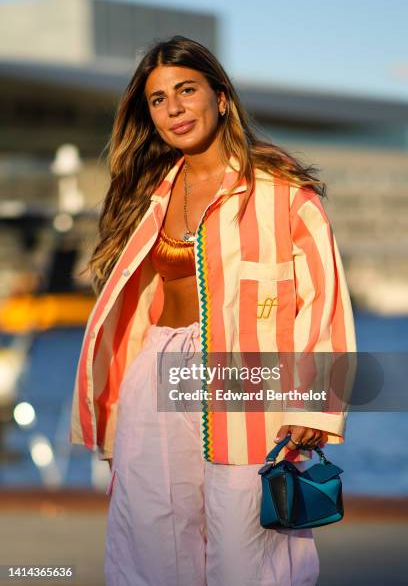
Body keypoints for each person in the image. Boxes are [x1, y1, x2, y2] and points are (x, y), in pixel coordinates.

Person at [70, 35, 356, 585]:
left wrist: (312, 405)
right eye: (157, 99)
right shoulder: (150, 191)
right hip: (156, 371)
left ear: (220, 97)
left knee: (248, 548)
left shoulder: (282, 190)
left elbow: (325, 301)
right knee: (150, 537)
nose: (173, 108)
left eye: (186, 90)